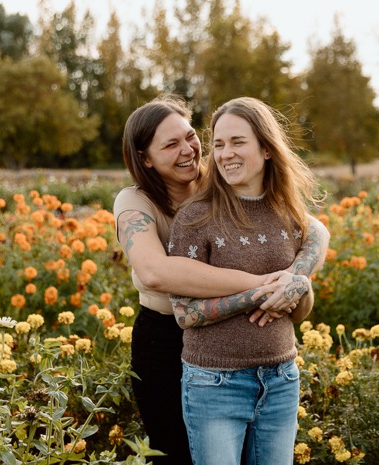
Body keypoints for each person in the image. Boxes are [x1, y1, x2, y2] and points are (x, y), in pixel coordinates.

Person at [113, 95, 329, 465]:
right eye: (170, 144)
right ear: (145, 158)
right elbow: (155, 272)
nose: (188, 150)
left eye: (190, 137)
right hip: (164, 338)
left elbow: (315, 230)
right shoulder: (135, 202)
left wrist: (295, 279)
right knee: (175, 453)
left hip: (241, 346)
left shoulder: (223, 180)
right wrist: (261, 285)